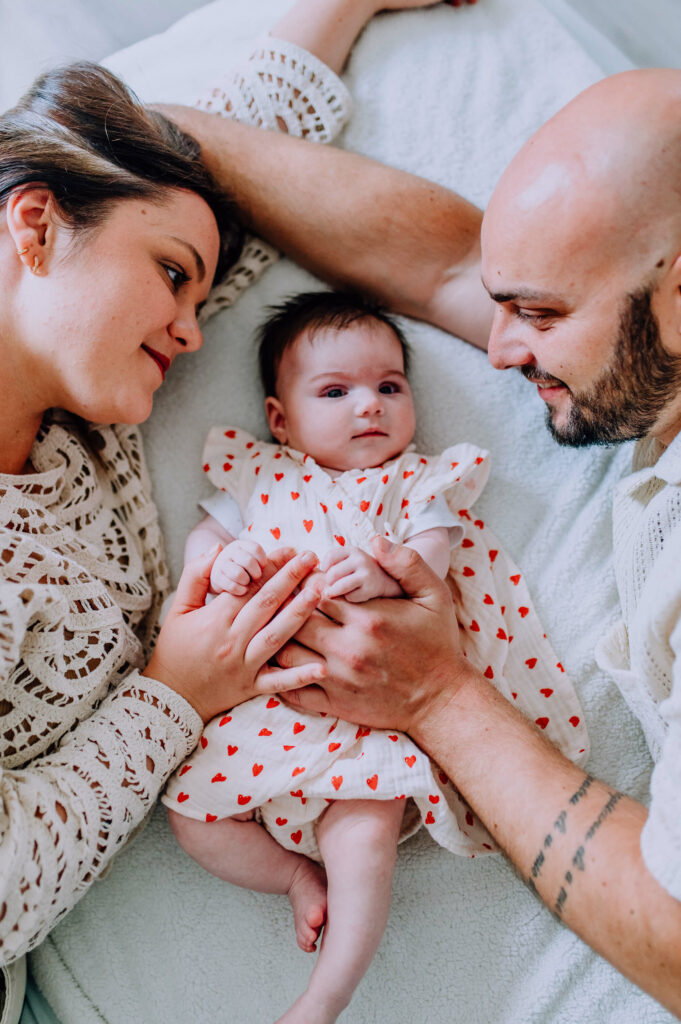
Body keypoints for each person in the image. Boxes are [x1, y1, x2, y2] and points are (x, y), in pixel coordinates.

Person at [162, 66, 681, 1014]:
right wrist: (137, 119)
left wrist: (439, 695)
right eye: (508, 304)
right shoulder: (644, 354)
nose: (496, 349)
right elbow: (438, 265)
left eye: (541, 314)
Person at [0, 2, 472, 1021]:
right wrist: (174, 694)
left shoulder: (88, 424)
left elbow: (240, 150)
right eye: (172, 277)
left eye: (196, 291)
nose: (192, 330)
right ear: (33, 224)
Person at [163, 288, 587, 1024]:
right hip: (270, 708)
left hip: (371, 724)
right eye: (336, 391)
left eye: (389, 387)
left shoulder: (417, 480)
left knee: (362, 845)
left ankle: (325, 994)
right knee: (191, 814)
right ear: (280, 418)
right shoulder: (258, 476)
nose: (370, 406)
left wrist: (389, 570)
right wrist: (222, 564)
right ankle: (295, 878)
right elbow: (204, 547)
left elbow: (436, 551)